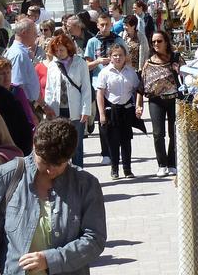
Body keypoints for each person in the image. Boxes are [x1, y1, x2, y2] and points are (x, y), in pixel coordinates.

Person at [0, 119, 107, 275]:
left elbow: (95, 239)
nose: (50, 171)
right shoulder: (6, 176)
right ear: (34, 147)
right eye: (45, 162)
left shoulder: (86, 185)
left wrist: (50, 260)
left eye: (59, 165)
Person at [42, 34, 92, 167]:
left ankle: (78, 172)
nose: (59, 53)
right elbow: (49, 89)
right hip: (58, 110)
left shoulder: (80, 63)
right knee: (60, 144)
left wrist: (86, 110)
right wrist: (47, 109)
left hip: (76, 110)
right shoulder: (53, 65)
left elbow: (86, 88)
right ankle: (63, 174)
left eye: (62, 50)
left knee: (76, 144)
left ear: (69, 48)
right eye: (56, 50)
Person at [95, 44, 143, 179]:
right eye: (114, 55)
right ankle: (114, 169)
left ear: (125, 56)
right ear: (110, 57)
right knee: (113, 141)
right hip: (111, 110)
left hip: (126, 110)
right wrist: (102, 114)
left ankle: (127, 169)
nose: (118, 58)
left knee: (126, 140)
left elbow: (138, 89)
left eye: (120, 55)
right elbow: (100, 94)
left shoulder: (131, 72)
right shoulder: (104, 73)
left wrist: (139, 106)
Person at [83, 14, 126, 165]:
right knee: (103, 119)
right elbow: (86, 65)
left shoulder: (118, 40)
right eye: (101, 25)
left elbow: (126, 60)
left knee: (118, 119)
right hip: (99, 84)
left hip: (116, 85)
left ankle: (118, 149)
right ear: (97, 26)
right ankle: (106, 152)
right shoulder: (92, 42)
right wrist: (98, 61)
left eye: (107, 24)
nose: (104, 27)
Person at [141, 30, 181, 177]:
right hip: (155, 101)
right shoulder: (149, 62)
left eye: (159, 41)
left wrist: (179, 70)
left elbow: (187, 78)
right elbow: (142, 85)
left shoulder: (176, 58)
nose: (156, 44)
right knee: (158, 133)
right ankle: (161, 164)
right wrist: (139, 105)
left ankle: (172, 163)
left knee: (174, 132)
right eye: (153, 42)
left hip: (174, 99)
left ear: (166, 42)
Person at [5, 17, 41, 107]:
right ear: (24, 33)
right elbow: (17, 86)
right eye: (34, 32)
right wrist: (29, 112)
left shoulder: (21, 52)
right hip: (25, 105)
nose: (37, 35)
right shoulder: (19, 54)